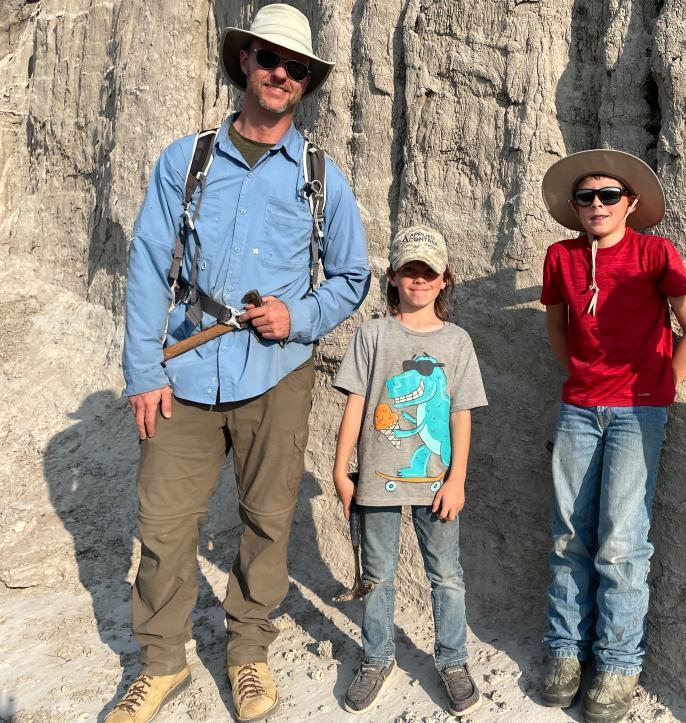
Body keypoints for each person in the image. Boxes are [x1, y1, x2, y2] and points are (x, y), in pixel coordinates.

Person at [111, 5, 370, 722]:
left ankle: (247, 651)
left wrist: (301, 316)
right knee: (163, 526)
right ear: (245, 63)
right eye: (268, 59)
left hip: (276, 375)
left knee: (267, 520)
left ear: (306, 81)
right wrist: (144, 371)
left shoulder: (321, 174)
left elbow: (352, 275)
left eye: (295, 67)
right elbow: (146, 268)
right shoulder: (185, 160)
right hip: (185, 374)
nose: (280, 74)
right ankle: (161, 664)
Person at [538, 149, 686, 723]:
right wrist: (577, 378)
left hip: (640, 414)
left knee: (621, 540)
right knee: (568, 535)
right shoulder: (560, 257)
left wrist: (661, 387)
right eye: (585, 197)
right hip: (579, 410)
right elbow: (557, 325)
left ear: (630, 204)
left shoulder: (654, 253)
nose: (596, 204)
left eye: (608, 195)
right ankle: (564, 653)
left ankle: (616, 662)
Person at [331, 225, 488, 718]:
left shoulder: (458, 342)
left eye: (428, 272)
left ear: (444, 281)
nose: (418, 281)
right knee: (378, 574)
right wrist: (341, 470)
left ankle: (454, 661)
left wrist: (458, 477)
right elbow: (356, 405)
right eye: (408, 271)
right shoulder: (373, 335)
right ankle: (377, 657)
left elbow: (461, 414)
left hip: (437, 480)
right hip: (376, 477)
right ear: (393, 277)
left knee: (446, 574)